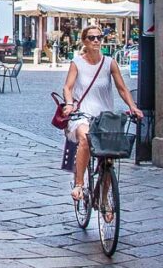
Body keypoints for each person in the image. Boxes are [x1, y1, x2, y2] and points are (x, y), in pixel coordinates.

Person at [61, 25, 143, 203]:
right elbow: (68, 87)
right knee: (85, 137)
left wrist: (133, 106)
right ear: (84, 41)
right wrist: (69, 103)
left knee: (109, 160)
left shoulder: (109, 62)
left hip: (105, 117)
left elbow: (122, 88)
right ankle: (79, 184)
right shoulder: (77, 63)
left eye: (99, 37)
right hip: (82, 114)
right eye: (91, 38)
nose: (96, 40)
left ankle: (104, 199)